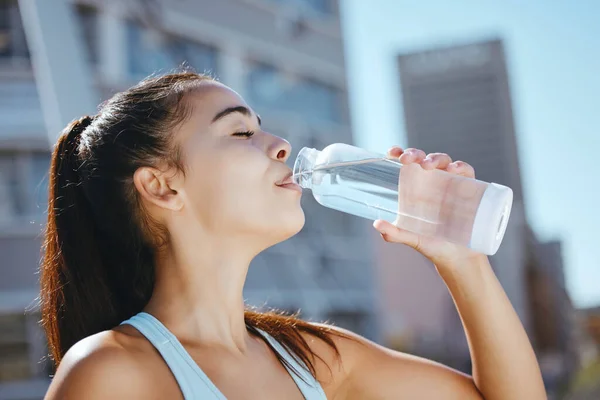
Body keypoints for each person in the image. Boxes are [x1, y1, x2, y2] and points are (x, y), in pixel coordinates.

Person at [42, 71, 546, 399]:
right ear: (162, 185)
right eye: (241, 132)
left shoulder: (313, 358)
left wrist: (461, 260)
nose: (281, 144)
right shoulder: (112, 375)